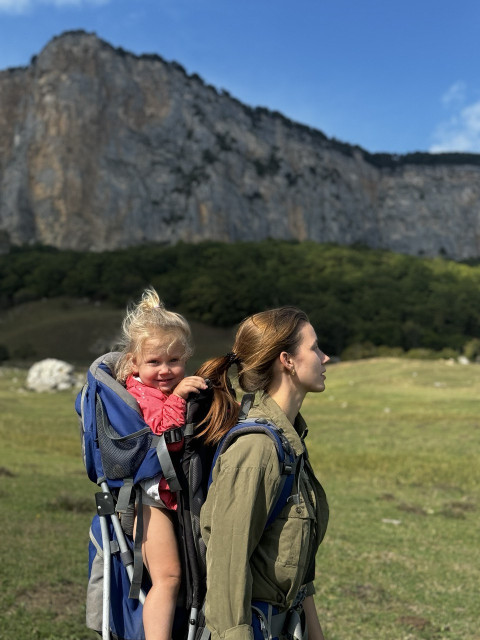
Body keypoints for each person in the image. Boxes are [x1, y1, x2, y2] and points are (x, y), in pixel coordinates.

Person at [197, 306, 330, 640]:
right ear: (287, 360)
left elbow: (297, 571)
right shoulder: (257, 449)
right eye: (314, 348)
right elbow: (228, 563)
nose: (324, 357)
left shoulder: (289, 440)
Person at [115, 288, 207, 640]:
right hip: (148, 502)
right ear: (134, 363)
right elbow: (160, 434)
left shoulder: (161, 389)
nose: (166, 371)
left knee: (178, 577)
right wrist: (181, 397)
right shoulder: (139, 394)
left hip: (170, 497)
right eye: (155, 362)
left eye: (174, 361)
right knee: (168, 578)